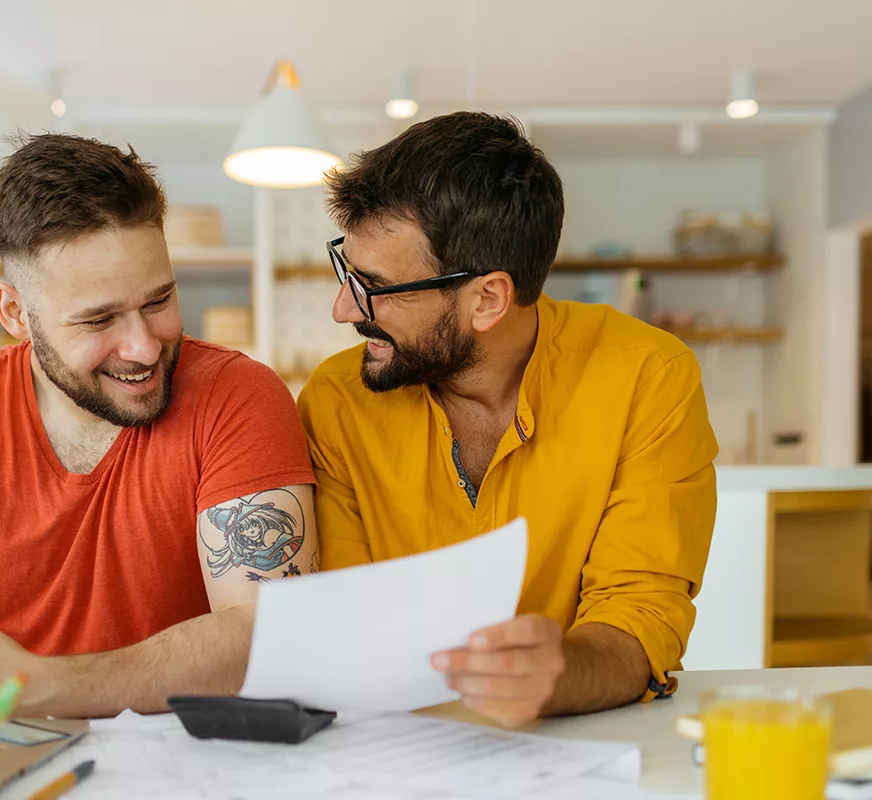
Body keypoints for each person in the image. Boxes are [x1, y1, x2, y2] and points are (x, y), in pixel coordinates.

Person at [0, 134, 318, 717]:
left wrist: (33, 684)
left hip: (202, 764)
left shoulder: (237, 397)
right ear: (15, 313)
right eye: (99, 319)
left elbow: (265, 634)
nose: (144, 347)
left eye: (159, 300)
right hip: (11, 759)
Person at [298, 112, 718, 727]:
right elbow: (347, 620)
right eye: (347, 271)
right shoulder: (336, 400)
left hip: (577, 742)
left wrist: (559, 674)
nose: (343, 309)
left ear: (488, 298)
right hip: (389, 747)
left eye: (375, 286)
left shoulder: (647, 375)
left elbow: (642, 612)